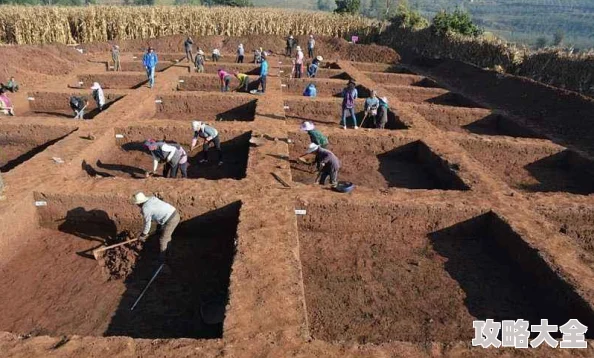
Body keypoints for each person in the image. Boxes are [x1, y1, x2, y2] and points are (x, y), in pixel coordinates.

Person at [132, 192, 181, 265]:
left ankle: (162, 261)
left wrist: (143, 234)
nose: (137, 205)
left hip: (171, 220)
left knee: (163, 239)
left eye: (137, 204)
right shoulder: (151, 198)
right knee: (166, 236)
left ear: (139, 203)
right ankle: (168, 252)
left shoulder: (146, 208)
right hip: (174, 214)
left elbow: (147, 223)